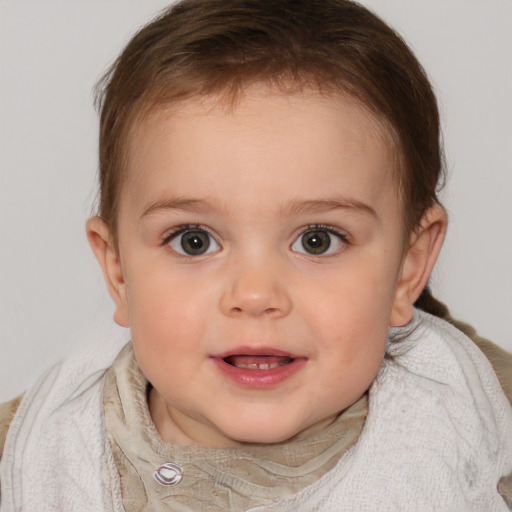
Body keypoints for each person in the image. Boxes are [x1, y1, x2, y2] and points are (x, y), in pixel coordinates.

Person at [1, 0, 511, 510]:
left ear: (408, 267)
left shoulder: (481, 416)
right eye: (193, 240)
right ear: (118, 272)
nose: (255, 294)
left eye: (318, 239)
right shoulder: (35, 452)